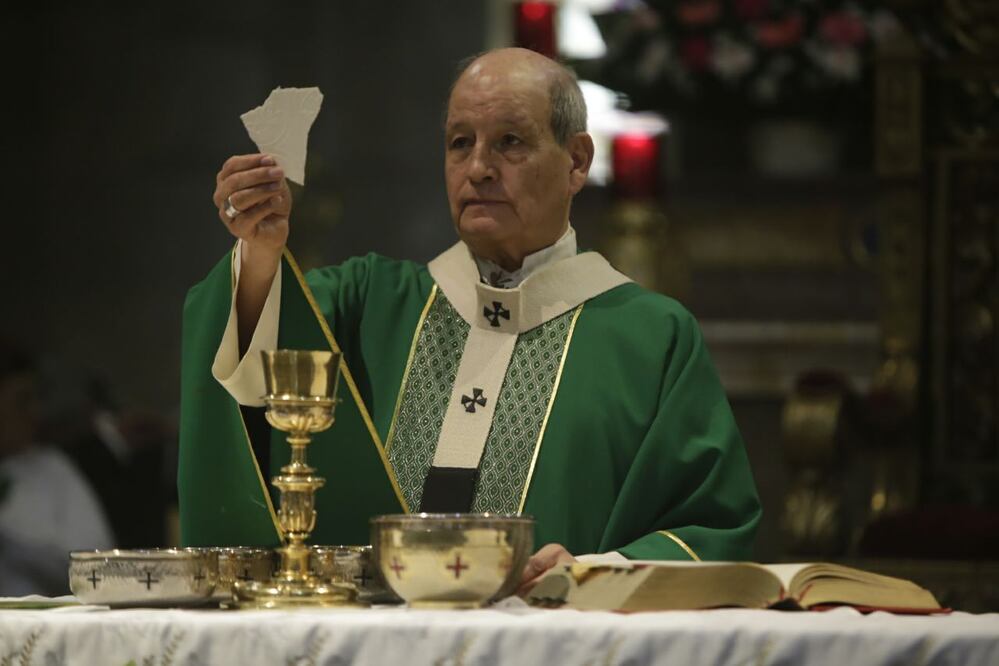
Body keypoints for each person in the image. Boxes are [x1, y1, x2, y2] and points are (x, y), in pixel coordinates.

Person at [179, 48, 761, 586]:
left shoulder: (651, 337)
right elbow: (259, 365)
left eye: (510, 142)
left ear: (577, 162)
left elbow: (712, 528)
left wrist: (591, 573)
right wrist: (260, 250)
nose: (479, 167)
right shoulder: (372, 300)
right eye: (460, 143)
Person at [0, 340, 114, 596]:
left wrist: (12, 543)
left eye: (36, 399)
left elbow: (99, 563)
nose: (34, 413)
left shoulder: (54, 470)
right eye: (21, 401)